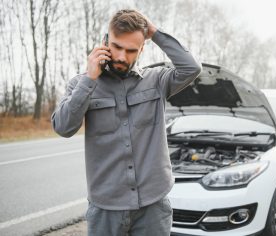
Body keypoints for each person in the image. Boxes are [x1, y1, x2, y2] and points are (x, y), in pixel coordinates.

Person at [51, 9, 202, 236]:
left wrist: (154, 32)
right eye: (117, 46)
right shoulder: (81, 84)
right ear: (105, 42)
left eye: (131, 50)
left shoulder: (157, 81)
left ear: (142, 48)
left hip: (153, 207)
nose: (122, 56)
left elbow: (192, 68)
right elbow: (63, 127)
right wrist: (89, 79)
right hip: (106, 209)